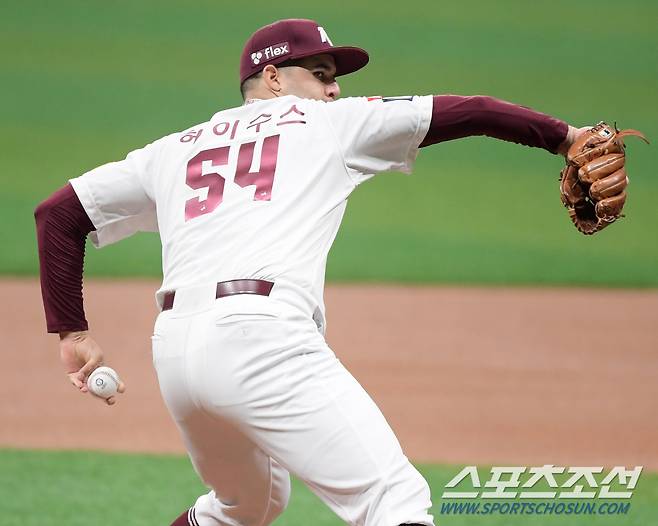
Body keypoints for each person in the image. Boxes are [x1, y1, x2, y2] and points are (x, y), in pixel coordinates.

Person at [35, 18, 589, 526]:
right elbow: (472, 110)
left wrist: (73, 333)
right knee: (394, 502)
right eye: (321, 74)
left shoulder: (173, 149)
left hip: (176, 354)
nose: (335, 89)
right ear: (272, 77)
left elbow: (57, 214)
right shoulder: (327, 124)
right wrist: (564, 137)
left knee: (246, 505)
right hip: (262, 340)